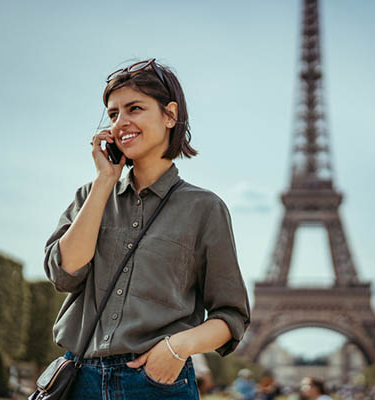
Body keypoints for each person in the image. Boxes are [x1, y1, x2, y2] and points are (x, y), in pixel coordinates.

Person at [44, 58, 251, 399]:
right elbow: (65, 275)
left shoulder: (205, 209)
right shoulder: (90, 196)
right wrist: (104, 181)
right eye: (113, 114)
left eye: (134, 108)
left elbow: (231, 315)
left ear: (170, 115)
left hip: (157, 383)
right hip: (81, 380)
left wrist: (176, 348)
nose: (121, 122)